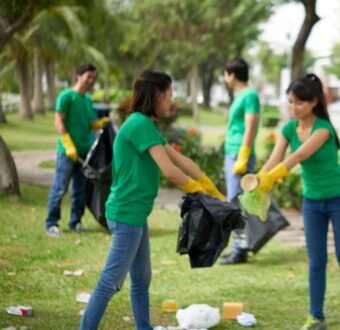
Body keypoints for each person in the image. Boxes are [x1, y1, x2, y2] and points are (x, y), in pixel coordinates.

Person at [79, 70, 224, 329]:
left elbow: (181, 161)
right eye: (169, 95)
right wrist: (197, 191)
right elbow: (169, 169)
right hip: (127, 214)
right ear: (156, 95)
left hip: (134, 214)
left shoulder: (145, 125)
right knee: (111, 281)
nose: (171, 101)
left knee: (141, 279)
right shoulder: (139, 124)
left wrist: (210, 188)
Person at [256, 74, 340, 330]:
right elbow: (275, 158)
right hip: (312, 203)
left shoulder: (323, 129)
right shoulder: (288, 128)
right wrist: (258, 178)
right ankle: (316, 316)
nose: (293, 107)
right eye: (290, 102)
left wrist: (273, 176)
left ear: (313, 102)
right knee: (316, 261)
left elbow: (300, 154)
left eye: (298, 102)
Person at [45, 64, 108, 236]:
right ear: (78, 76)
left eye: (94, 78)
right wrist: (67, 143)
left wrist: (99, 124)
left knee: (80, 190)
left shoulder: (87, 100)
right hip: (67, 152)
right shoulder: (66, 96)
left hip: (84, 153)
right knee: (60, 188)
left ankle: (75, 222)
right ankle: (51, 223)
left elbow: (88, 123)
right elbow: (59, 121)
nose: (92, 81)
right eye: (89, 77)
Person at [221, 58, 260, 265]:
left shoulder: (250, 95)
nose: (224, 78)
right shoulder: (241, 95)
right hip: (233, 152)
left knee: (236, 202)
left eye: (225, 74)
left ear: (232, 74)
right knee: (234, 201)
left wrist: (244, 155)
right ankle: (238, 245)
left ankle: (241, 248)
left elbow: (250, 126)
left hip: (239, 154)